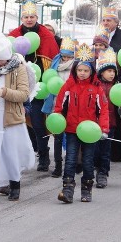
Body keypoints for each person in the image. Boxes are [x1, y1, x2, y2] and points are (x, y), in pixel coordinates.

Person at [53, 44, 109, 203]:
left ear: (91, 71)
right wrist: (57, 121)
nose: (82, 73)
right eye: (80, 70)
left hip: (90, 131)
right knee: (70, 158)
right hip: (71, 129)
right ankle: (68, 189)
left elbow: (103, 109)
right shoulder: (68, 86)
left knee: (88, 160)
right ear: (75, 70)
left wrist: (103, 128)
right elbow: (59, 106)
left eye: (86, 70)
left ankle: (87, 188)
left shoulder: (97, 88)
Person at [7, 0, 58, 171]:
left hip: (38, 87)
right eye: (26, 17)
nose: (29, 19)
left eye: (32, 16)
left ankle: (43, 154)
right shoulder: (14, 35)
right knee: (17, 123)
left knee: (37, 123)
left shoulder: (46, 35)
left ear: (37, 17)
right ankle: (22, 157)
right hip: (16, 85)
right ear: (22, 18)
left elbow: (51, 60)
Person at [0, 39, 34, 201]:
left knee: (11, 153)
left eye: (1, 59)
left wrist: (4, 92)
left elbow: (23, 94)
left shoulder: (19, 68)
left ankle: (15, 184)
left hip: (11, 117)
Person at [41, 36, 76, 177]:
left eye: (68, 57)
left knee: (72, 136)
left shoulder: (76, 67)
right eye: (64, 56)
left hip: (72, 105)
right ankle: (58, 165)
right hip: (57, 104)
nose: (65, 60)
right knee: (57, 136)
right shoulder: (55, 64)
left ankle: (72, 163)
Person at [95, 47, 121, 188]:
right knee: (95, 150)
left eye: (113, 71)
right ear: (101, 72)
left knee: (105, 151)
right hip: (94, 123)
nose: (112, 74)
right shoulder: (94, 85)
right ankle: (95, 169)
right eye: (109, 71)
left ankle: (103, 174)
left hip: (110, 123)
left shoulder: (116, 87)